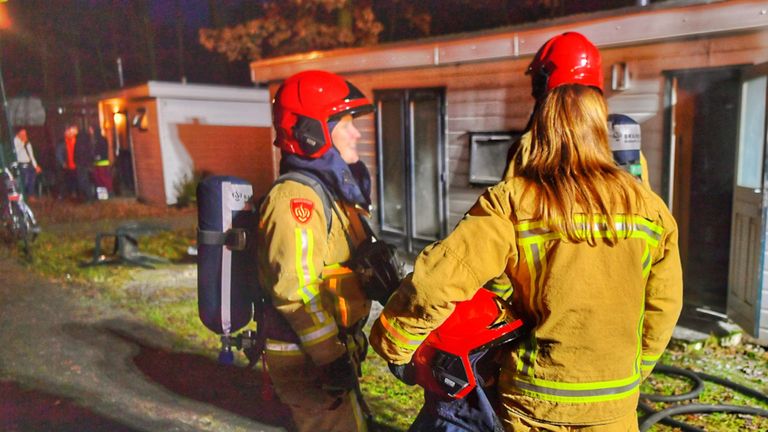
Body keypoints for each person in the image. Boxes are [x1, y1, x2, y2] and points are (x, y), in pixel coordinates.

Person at [370, 31, 683, 432]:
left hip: (536, 403)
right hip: (615, 405)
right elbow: (663, 306)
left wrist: (395, 344)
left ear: (543, 110)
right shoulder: (650, 209)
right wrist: (632, 370)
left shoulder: (513, 201)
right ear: (599, 114)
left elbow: (439, 279)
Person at [256, 70, 378, 432]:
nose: (356, 132)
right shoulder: (296, 198)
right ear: (311, 133)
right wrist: (331, 358)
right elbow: (295, 291)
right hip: (305, 360)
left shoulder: (329, 192)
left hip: (328, 354)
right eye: (345, 123)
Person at [12, 128, 42, 199]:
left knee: (32, 178)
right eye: (22, 134)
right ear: (18, 134)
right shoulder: (15, 141)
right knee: (24, 180)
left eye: (25, 134)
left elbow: (31, 155)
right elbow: (16, 152)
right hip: (21, 164)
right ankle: (21, 194)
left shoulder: (27, 143)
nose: (24, 135)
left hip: (29, 163)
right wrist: (22, 143)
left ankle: (30, 195)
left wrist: (36, 166)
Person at [89, 125, 113, 200]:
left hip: (102, 162)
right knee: (98, 179)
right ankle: (103, 195)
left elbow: (101, 150)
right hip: (97, 162)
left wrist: (97, 156)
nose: (91, 132)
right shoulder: (95, 139)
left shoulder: (100, 140)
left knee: (103, 178)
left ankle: (109, 191)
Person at [55, 125, 79, 200]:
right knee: (63, 180)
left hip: (74, 164)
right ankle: (62, 194)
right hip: (66, 164)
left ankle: (73, 193)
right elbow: (58, 153)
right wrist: (62, 163)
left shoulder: (76, 141)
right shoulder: (62, 142)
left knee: (73, 180)